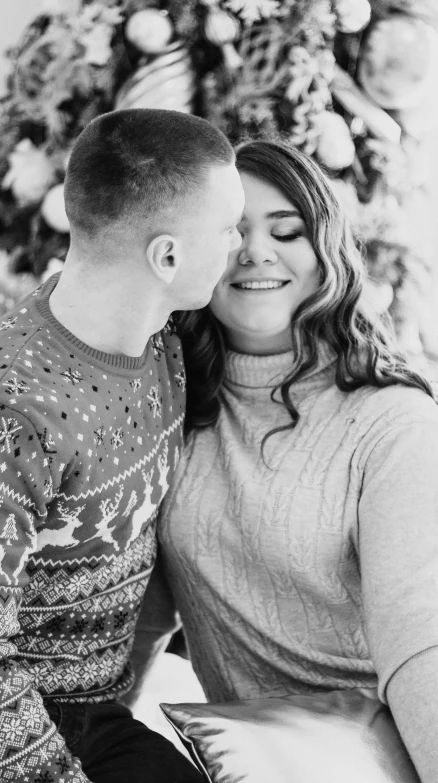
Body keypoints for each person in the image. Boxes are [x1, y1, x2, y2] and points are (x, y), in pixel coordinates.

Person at [137, 139, 438, 783]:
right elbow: (149, 614)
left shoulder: (393, 421)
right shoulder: (169, 405)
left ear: (326, 252)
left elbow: (417, 640)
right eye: (232, 232)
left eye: (286, 230)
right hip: (266, 757)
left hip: (407, 748)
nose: (257, 251)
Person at [0, 108, 243, 783]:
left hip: (92, 716)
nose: (241, 247)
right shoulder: (19, 410)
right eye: (227, 230)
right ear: (168, 256)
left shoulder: (166, 344)